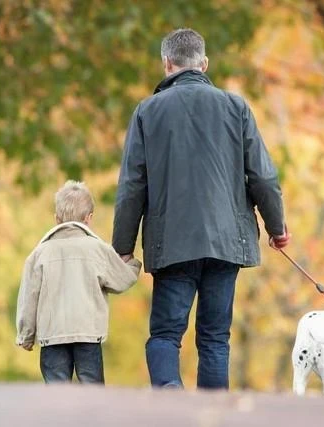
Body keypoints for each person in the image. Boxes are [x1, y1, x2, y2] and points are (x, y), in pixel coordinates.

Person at [112, 28, 290, 390]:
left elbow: (132, 185)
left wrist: (122, 247)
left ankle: (170, 399)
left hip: (172, 242)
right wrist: (277, 227)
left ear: (167, 64)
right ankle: (212, 413)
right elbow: (262, 176)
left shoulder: (148, 111)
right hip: (226, 242)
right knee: (214, 339)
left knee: (165, 333)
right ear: (204, 63)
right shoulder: (235, 107)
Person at [16, 180, 141, 384]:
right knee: (91, 389)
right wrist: (133, 265)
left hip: (52, 336)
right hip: (88, 334)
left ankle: (60, 416)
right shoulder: (97, 249)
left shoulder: (40, 254)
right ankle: (91, 417)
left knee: (57, 391)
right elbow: (121, 279)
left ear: (56, 218)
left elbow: (29, 298)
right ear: (89, 218)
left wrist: (26, 335)